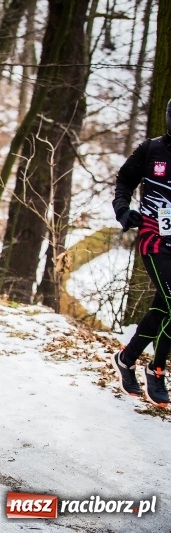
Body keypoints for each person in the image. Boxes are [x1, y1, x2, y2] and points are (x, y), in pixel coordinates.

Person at [111, 99, 171, 408]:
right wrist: (123, 209)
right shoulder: (152, 150)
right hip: (154, 239)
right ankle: (156, 370)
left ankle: (126, 359)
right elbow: (124, 180)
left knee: (165, 307)